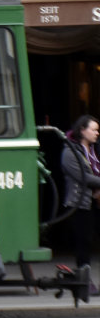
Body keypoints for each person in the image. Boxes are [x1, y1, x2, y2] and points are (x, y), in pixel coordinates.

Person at [60, 115, 100, 278]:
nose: (97, 133)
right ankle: (85, 280)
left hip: (94, 202)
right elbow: (84, 177)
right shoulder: (70, 152)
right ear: (82, 130)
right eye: (94, 130)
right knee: (84, 243)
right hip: (79, 204)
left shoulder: (94, 150)